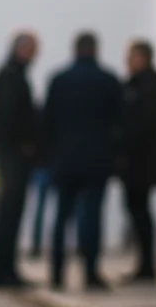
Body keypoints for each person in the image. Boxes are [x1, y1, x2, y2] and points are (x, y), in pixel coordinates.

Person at [42, 32, 123, 292]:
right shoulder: (108, 80)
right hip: (97, 159)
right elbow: (119, 120)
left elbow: (48, 120)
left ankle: (56, 273)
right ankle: (90, 272)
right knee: (92, 216)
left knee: (61, 217)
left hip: (64, 159)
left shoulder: (59, 80)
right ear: (95, 50)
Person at [0, 32, 40, 289]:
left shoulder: (11, 74)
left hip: (12, 154)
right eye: (33, 49)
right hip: (13, 156)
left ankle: (8, 270)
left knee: (12, 213)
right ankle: (5, 271)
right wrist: (26, 143)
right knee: (10, 213)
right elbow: (12, 118)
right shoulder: (11, 76)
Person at [120, 40, 156, 283]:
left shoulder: (146, 86)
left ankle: (147, 266)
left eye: (131, 56)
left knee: (141, 214)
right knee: (138, 213)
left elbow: (140, 126)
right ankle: (144, 265)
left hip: (141, 163)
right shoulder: (137, 85)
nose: (127, 61)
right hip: (136, 163)